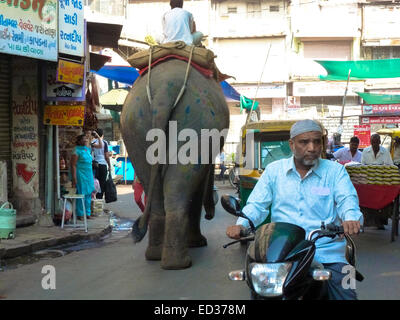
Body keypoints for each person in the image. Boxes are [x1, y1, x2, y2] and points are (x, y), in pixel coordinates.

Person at [226, 119, 363, 300]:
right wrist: (242, 224)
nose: (312, 147)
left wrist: (351, 219)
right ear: (291, 144)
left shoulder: (336, 172)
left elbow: (347, 200)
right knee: (259, 291)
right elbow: (257, 205)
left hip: (326, 251)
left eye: (316, 141)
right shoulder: (274, 171)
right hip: (281, 254)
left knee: (346, 292)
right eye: (304, 142)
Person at [70, 134, 95, 220]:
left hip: (89, 174)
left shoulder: (87, 149)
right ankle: (80, 214)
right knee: (81, 193)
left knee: (89, 193)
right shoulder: (76, 150)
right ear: (79, 141)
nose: (85, 140)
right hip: (80, 174)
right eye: (83, 139)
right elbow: (73, 165)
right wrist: (74, 178)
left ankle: (87, 213)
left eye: (86, 139)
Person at [91, 128, 111, 199]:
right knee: (102, 184)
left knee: (95, 182)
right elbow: (106, 156)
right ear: (102, 135)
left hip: (95, 165)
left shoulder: (92, 142)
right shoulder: (104, 142)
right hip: (103, 165)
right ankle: (99, 202)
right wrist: (109, 165)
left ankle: (94, 198)